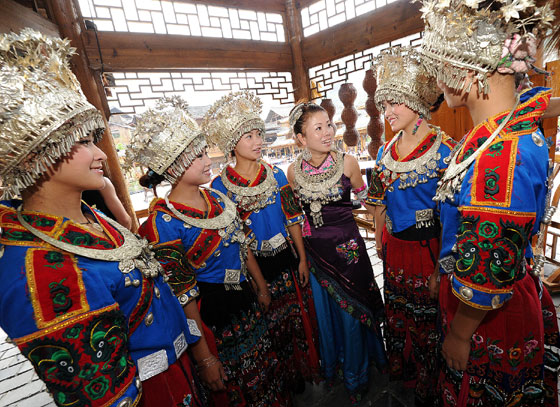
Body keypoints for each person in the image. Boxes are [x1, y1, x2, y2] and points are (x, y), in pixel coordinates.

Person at [0, 29, 205, 407]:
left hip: (176, 375)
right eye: (84, 141)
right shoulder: (40, 268)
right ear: (37, 154)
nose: (102, 154)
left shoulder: (94, 219)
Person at [419, 0, 560, 405]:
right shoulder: (510, 123)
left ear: (469, 74)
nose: (441, 85)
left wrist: (459, 334)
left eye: (443, 72)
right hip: (497, 297)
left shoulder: (499, 156)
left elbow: (490, 266)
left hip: (489, 316)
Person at [131, 96, 292, 406]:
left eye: (204, 153)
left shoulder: (217, 200)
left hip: (244, 299)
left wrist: (260, 287)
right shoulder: (163, 223)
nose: (207, 162)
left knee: (266, 375)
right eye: (196, 157)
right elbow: (183, 295)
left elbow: (243, 244)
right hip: (212, 317)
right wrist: (204, 357)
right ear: (173, 165)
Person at [206, 91, 321, 392]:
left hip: (286, 259)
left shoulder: (276, 174)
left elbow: (293, 218)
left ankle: (302, 374)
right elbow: (235, 241)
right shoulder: (220, 189)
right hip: (254, 269)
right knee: (269, 329)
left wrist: (303, 259)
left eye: (259, 134)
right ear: (233, 143)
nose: (258, 141)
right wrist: (258, 284)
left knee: (296, 320)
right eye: (248, 136)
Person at [366, 45, 456, 406]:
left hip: (429, 251)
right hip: (396, 250)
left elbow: (452, 219)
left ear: (416, 103)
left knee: (429, 317)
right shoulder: (385, 152)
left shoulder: (444, 150)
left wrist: (440, 268)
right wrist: (379, 235)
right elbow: (379, 200)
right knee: (400, 310)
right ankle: (404, 369)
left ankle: (429, 381)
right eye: (383, 105)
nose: (387, 113)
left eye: (394, 103)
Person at [287, 102, 386, 405]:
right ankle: (336, 366)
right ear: (301, 138)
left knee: (351, 313)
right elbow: (298, 220)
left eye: (329, 124)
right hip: (317, 255)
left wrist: (384, 224)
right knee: (327, 316)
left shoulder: (348, 163)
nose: (328, 132)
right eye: (318, 128)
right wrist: (302, 258)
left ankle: (357, 375)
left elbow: (371, 203)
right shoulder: (292, 172)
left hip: (349, 251)